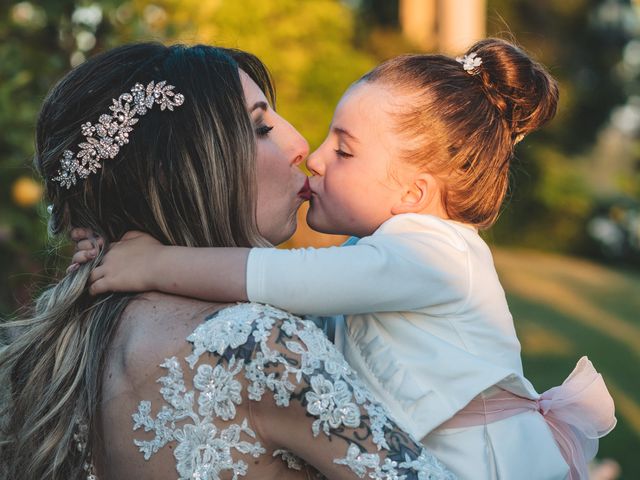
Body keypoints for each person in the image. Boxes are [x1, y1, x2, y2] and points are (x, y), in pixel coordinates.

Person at [74, 39, 616, 480]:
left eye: (345, 149)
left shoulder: (435, 251)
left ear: (412, 194)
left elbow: (282, 281)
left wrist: (152, 263)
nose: (312, 154)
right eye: (265, 127)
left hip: (492, 461)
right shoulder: (378, 256)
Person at [0, 43, 455, 480]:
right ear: (181, 169)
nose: (302, 146)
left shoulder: (40, 357)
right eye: (261, 129)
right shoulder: (256, 344)